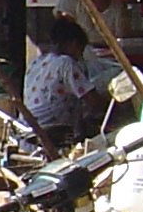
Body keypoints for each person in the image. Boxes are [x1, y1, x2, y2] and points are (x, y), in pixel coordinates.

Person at [23, 17, 97, 149]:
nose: (80, 56)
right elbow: (93, 100)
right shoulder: (66, 63)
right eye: (81, 49)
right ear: (74, 44)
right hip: (47, 135)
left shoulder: (37, 61)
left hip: (26, 132)